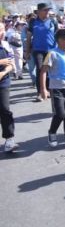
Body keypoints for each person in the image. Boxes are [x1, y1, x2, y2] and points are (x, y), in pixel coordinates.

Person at [25, 3, 59, 102]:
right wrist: (27, 51)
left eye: (48, 10)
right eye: (45, 10)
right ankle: (40, 92)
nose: (47, 12)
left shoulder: (53, 21)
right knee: (40, 70)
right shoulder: (33, 22)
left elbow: (58, 36)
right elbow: (28, 38)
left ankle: (48, 90)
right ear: (39, 11)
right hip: (37, 50)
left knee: (49, 71)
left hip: (51, 50)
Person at [0, 23, 18, 152]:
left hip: (3, 81)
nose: (1, 32)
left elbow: (11, 64)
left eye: (2, 30)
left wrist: (3, 72)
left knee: (5, 109)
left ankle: (9, 139)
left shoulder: (5, 45)